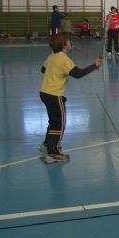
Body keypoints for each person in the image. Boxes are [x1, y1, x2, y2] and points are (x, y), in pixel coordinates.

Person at [39, 33, 103, 163]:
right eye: (68, 40)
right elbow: (78, 74)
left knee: (53, 120)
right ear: (64, 45)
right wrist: (94, 66)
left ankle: (47, 144)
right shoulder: (63, 58)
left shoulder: (52, 56)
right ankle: (53, 152)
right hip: (54, 94)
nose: (70, 42)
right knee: (59, 124)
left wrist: (54, 72)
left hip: (44, 92)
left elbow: (43, 69)